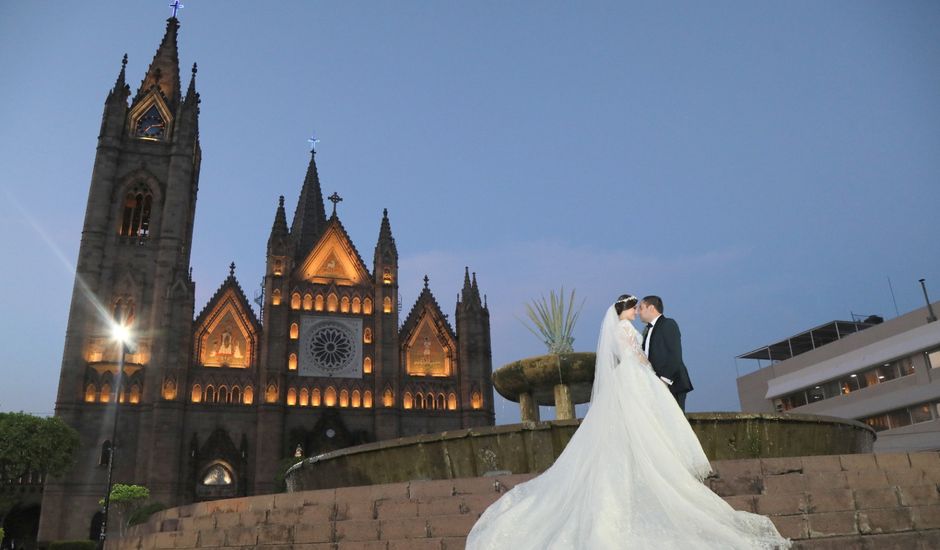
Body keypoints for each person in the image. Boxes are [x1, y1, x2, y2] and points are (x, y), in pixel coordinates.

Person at [465, 295, 790, 549]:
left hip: (634, 380)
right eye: (634, 307)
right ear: (626, 310)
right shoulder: (625, 330)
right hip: (637, 378)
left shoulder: (634, 329)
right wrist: (652, 372)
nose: (637, 311)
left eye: (640, 308)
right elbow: (636, 355)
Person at [638, 295, 693, 411]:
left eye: (641, 308)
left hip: (672, 384)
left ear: (651, 308)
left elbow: (675, 355)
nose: (638, 312)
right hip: (654, 385)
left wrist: (664, 381)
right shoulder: (646, 331)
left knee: (676, 424)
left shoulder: (668, 324)